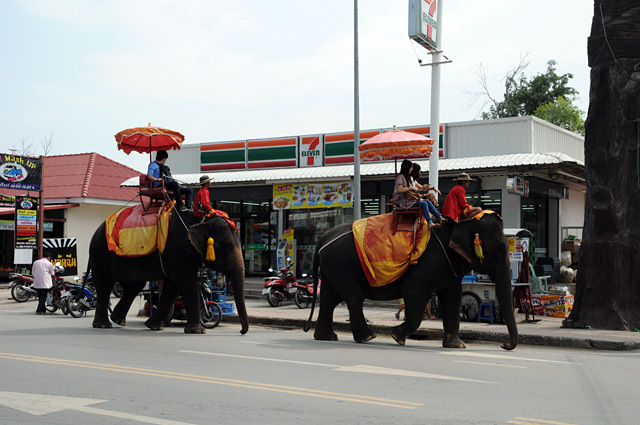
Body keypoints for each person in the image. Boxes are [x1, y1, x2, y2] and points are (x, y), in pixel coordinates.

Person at [393, 159, 443, 229]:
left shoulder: (408, 178)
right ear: (407, 168)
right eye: (411, 167)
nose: (412, 169)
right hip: (404, 201)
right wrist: (411, 188)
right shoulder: (401, 177)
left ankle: (439, 217)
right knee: (424, 203)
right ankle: (430, 223)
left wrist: (429, 188)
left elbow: (420, 188)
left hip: (409, 199)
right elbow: (400, 189)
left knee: (427, 201)